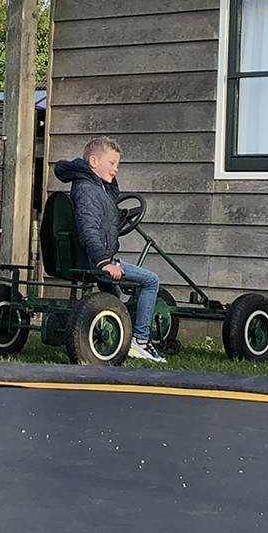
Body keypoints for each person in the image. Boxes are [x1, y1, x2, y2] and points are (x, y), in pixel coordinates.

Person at [54, 137, 167, 364]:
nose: (116, 169)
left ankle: (120, 331)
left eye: (117, 165)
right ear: (93, 161)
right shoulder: (88, 190)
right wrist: (104, 262)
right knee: (151, 281)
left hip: (91, 257)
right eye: (112, 163)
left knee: (115, 297)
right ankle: (141, 340)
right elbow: (88, 229)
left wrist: (118, 217)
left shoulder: (96, 189)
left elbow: (100, 222)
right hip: (98, 259)